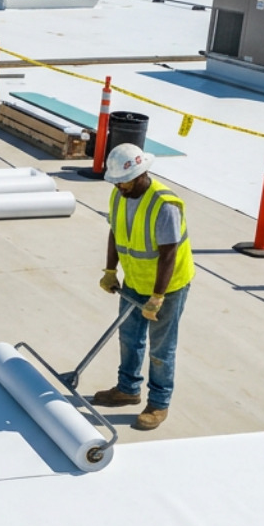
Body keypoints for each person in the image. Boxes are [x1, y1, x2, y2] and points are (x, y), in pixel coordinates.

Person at [91, 144, 194, 431]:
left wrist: (158, 297)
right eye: (116, 181)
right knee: (129, 336)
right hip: (134, 280)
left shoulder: (164, 204)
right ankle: (128, 389)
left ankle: (159, 404)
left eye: (124, 180)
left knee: (161, 349)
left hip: (167, 287)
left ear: (140, 174)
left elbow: (169, 253)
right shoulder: (119, 194)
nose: (120, 185)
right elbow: (115, 232)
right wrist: (111, 271)